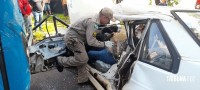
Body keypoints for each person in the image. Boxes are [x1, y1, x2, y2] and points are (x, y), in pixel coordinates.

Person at [56, 7, 114, 84]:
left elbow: (93, 33)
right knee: (83, 59)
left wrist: (105, 36)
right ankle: (61, 61)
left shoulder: (97, 18)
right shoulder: (92, 22)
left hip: (80, 37)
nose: (109, 22)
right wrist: (104, 44)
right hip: (73, 38)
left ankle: (82, 79)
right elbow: (91, 42)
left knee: (82, 54)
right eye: (108, 20)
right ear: (104, 17)